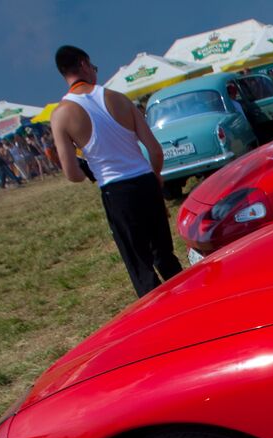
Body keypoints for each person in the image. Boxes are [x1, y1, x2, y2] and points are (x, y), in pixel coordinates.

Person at [51, 44, 181, 297]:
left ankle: (159, 316)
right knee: (166, 256)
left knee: (141, 268)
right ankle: (190, 304)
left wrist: (88, 166)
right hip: (145, 181)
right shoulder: (119, 98)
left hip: (116, 191)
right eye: (94, 67)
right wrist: (156, 177)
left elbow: (73, 175)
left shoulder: (61, 115)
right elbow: (155, 150)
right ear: (84, 64)